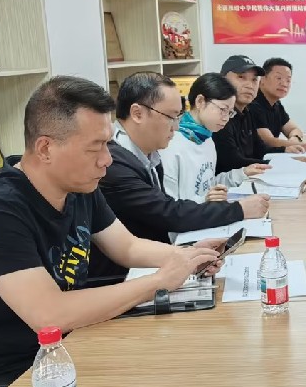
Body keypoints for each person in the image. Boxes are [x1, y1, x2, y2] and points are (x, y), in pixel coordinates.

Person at [0, 77, 221, 387]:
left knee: (187, 382)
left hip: (65, 357)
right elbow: (49, 315)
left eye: (107, 144)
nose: (107, 160)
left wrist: (186, 256)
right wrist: (159, 281)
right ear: (45, 148)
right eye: (94, 148)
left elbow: (127, 246)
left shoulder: (78, 187)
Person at [94, 73, 269, 279]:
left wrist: (187, 253)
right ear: (137, 113)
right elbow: (168, 213)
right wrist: (238, 210)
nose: (176, 126)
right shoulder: (114, 164)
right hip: (125, 277)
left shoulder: (148, 154)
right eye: (170, 117)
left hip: (149, 263)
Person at [161, 72, 271, 203]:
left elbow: (208, 185)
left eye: (230, 112)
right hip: (191, 214)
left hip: (206, 212)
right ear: (200, 101)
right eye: (223, 109)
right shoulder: (171, 144)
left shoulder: (207, 139)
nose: (226, 118)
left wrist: (242, 173)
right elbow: (167, 205)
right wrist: (204, 200)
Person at [214, 55, 282, 172]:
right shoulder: (219, 115)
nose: (250, 85)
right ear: (222, 80)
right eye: (241, 77)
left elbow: (260, 149)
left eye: (254, 80)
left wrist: (287, 151)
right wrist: (277, 165)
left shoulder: (247, 112)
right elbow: (232, 162)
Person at [250, 58, 306, 153]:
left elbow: (294, 129)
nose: (284, 84)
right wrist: (304, 146)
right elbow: (268, 141)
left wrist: (294, 139)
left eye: (288, 80)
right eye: (278, 78)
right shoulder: (253, 103)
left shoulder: (276, 104)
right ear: (262, 79)